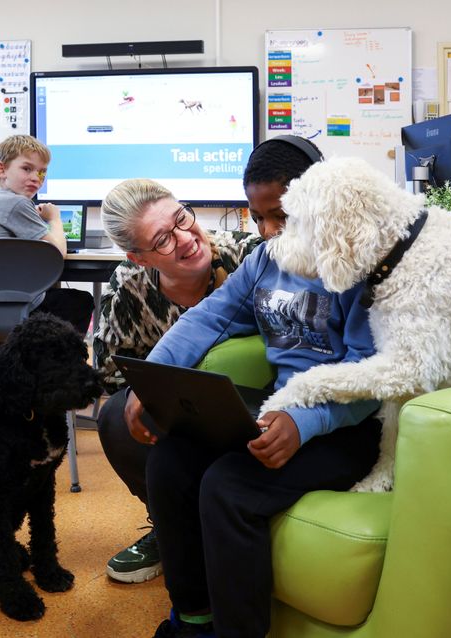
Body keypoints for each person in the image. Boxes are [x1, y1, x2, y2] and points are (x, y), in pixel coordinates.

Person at [127, 137, 383, 637]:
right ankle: (195, 619)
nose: (268, 231)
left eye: (280, 216)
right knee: (171, 461)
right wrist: (152, 377)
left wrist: (303, 422)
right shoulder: (264, 260)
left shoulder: (360, 265)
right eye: (258, 217)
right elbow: (210, 317)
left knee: (228, 486)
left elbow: (369, 375)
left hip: (347, 426)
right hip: (282, 411)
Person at [93, 179, 262, 584]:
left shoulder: (249, 256)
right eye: (163, 240)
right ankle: (169, 524)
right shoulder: (128, 287)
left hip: (249, 400)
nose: (186, 239)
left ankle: (224, 524)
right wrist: (145, 392)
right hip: (176, 411)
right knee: (115, 417)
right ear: (141, 257)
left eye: (182, 219)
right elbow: (109, 367)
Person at [0, 134, 93, 334]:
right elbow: (58, 254)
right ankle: (57, 364)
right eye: (27, 169)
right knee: (81, 301)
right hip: (20, 311)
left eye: (42, 172)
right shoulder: (18, 203)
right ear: (1, 170)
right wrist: (54, 219)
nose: (36, 178)